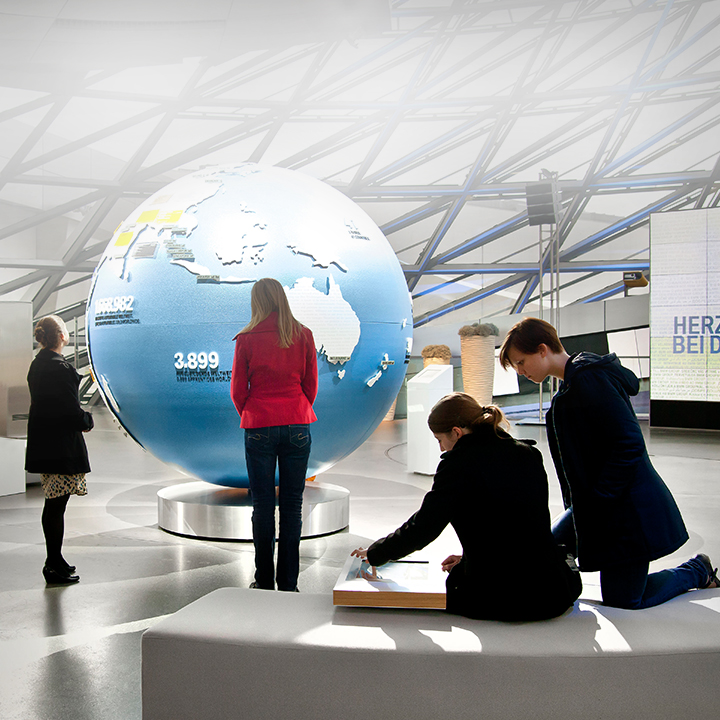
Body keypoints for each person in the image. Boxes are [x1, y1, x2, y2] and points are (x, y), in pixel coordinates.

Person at [499, 317, 719, 609]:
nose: (520, 371)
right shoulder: (573, 383)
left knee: (625, 599)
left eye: (520, 361)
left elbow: (629, 443)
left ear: (542, 349)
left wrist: (599, 499)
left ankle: (697, 570)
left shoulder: (589, 380)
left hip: (625, 510)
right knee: (548, 549)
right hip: (596, 506)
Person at [352, 393, 581, 621]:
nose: (442, 448)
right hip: (552, 590)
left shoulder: (459, 466)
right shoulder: (528, 453)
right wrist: (470, 557)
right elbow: (518, 524)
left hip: (503, 598)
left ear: (457, 432)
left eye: (440, 440)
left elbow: (423, 527)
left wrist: (376, 553)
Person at [231, 278, 318, 592]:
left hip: (258, 424)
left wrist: (253, 413)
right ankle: (289, 583)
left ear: (257, 301)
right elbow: (311, 386)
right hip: (297, 422)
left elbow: (237, 391)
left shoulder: (246, 338)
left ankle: (264, 581)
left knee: (263, 505)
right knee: (292, 505)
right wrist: (296, 409)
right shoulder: (304, 335)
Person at [26, 315, 94, 586]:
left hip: (44, 446)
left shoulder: (38, 364)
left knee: (54, 505)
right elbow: (69, 410)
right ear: (62, 336)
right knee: (56, 506)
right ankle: (52, 563)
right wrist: (88, 420)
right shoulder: (61, 368)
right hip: (61, 449)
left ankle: (56, 559)